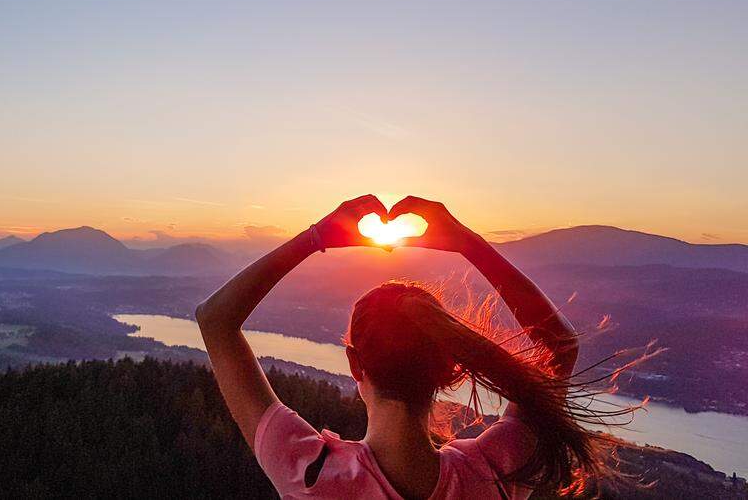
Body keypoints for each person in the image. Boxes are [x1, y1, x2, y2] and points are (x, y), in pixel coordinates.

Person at [196, 195, 611, 499]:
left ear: (355, 364)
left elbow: (215, 319)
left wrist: (316, 237)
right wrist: (467, 243)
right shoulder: (493, 475)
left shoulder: (310, 477)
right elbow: (558, 347)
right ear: (450, 366)